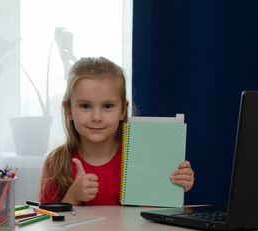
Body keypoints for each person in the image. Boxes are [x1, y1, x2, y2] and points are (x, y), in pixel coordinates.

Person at [39, 57, 194, 206]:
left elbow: (156, 220)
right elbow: (47, 224)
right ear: (69, 111)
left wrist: (177, 186)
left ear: (123, 110)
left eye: (107, 106)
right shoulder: (56, 163)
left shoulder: (142, 159)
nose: (96, 117)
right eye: (85, 106)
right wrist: (72, 197)